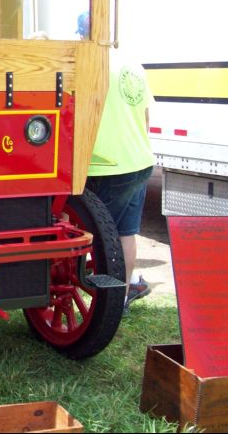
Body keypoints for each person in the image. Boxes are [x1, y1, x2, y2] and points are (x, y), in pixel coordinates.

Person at [86, 53, 155, 316]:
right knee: (126, 233)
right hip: (139, 159)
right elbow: (146, 116)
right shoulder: (133, 65)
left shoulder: (90, 63)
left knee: (102, 240)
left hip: (106, 164)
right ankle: (122, 297)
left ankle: (106, 308)